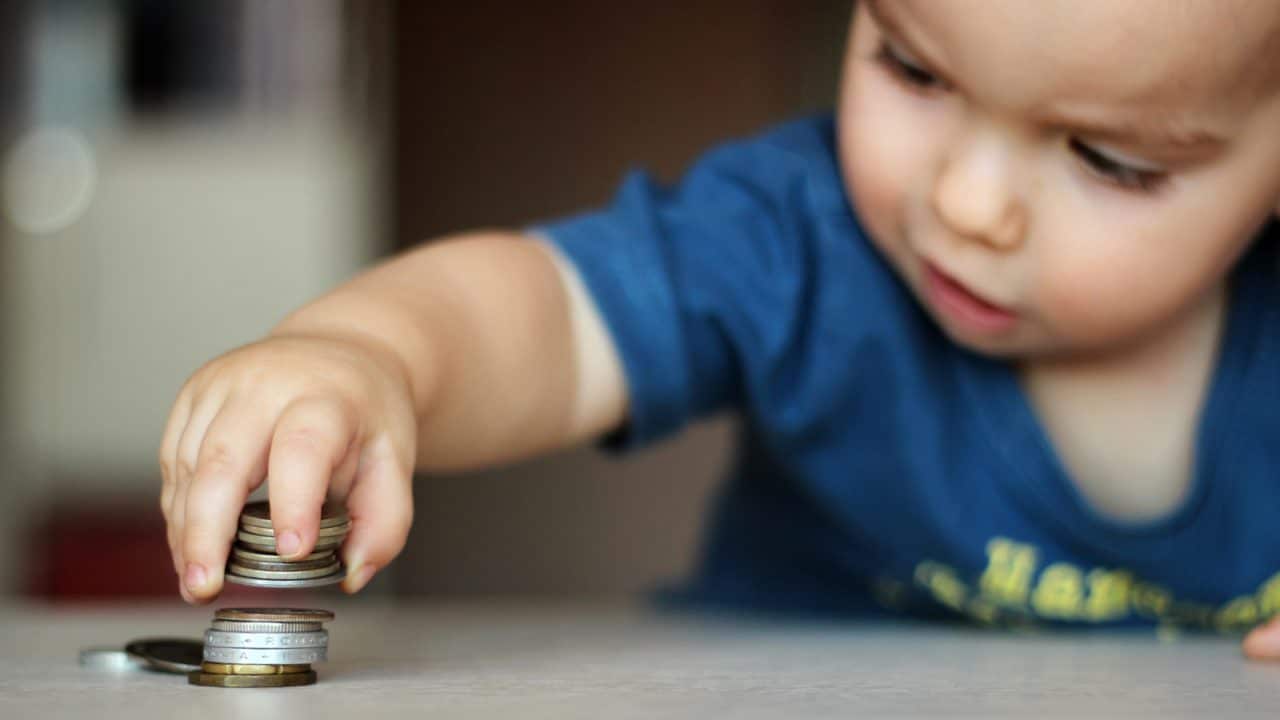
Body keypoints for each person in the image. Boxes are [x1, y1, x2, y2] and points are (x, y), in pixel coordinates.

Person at [158, 0, 1280, 658]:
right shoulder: (796, 239)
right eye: (910, 66)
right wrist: (373, 353)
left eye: (1106, 159)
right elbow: (557, 315)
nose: (966, 206)